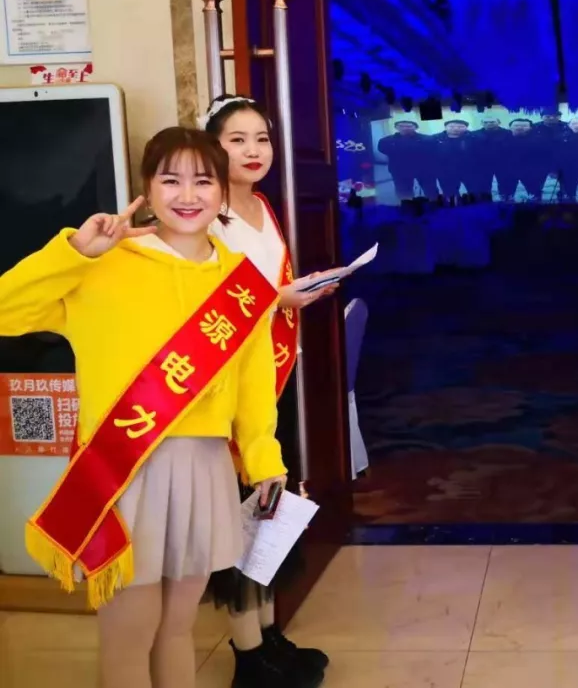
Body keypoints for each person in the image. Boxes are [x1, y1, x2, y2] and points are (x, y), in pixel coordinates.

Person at [2, 128, 286, 688]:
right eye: (170, 180)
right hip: (121, 470)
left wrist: (263, 460)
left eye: (203, 181)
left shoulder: (242, 284)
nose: (188, 195)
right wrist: (74, 253)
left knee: (178, 627)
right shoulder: (105, 264)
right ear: (147, 189)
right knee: (129, 632)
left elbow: (254, 388)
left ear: (222, 192)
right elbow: (7, 312)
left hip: (203, 468)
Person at [201, 94, 336, 688]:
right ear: (212, 147)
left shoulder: (261, 206)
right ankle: (248, 655)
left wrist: (295, 294)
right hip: (228, 388)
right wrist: (279, 298)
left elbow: (265, 289)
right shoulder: (203, 215)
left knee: (270, 507)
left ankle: (269, 635)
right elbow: (208, 305)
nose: (253, 150)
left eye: (262, 138)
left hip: (274, 376)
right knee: (240, 512)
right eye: (237, 139)